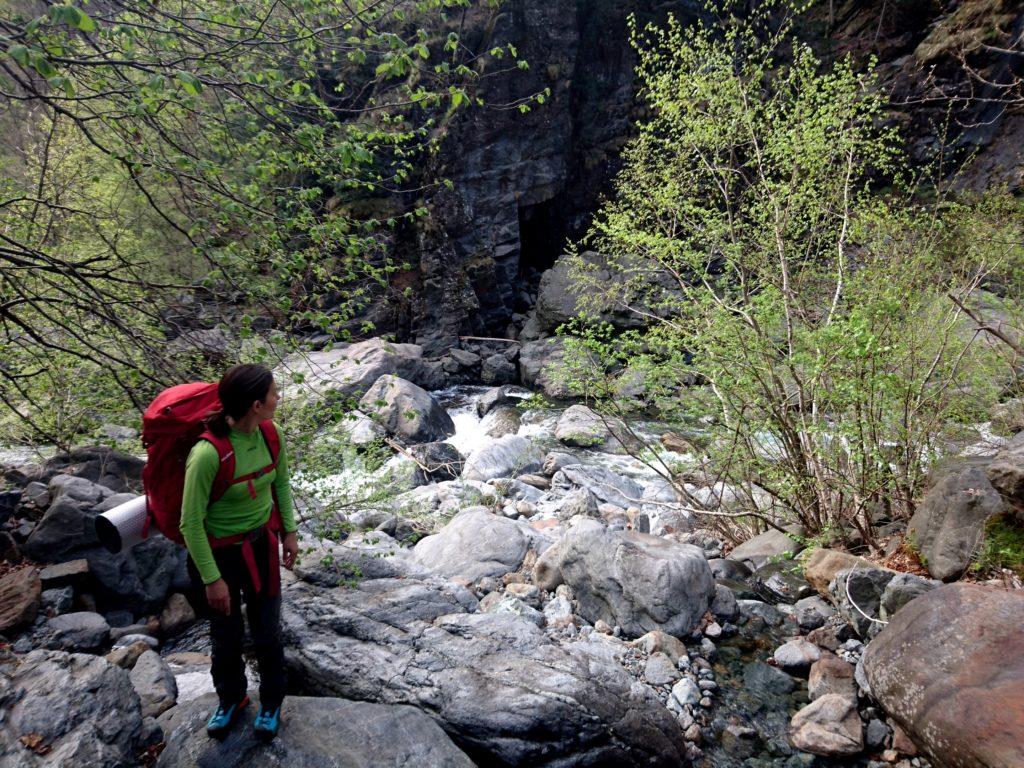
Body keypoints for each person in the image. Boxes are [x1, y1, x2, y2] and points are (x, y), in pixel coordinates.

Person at [179, 363, 299, 740]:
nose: (278, 398)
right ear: (255, 404)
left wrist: (289, 534)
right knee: (225, 634)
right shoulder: (207, 454)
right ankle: (231, 699)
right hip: (219, 556)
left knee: (267, 631)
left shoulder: (271, 435)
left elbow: (280, 485)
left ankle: (272, 702)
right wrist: (212, 580)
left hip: (261, 545)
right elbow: (190, 524)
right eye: (273, 393)